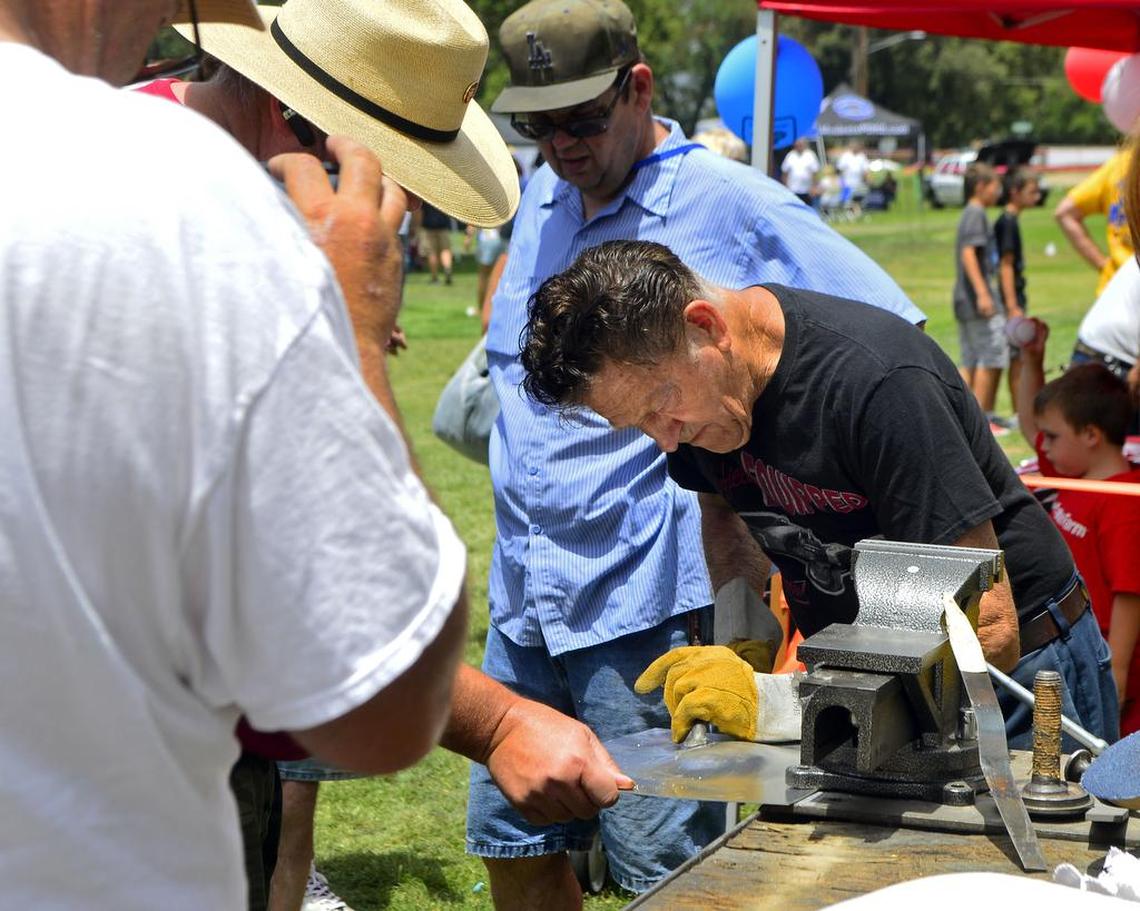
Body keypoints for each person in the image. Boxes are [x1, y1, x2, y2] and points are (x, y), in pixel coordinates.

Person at [0, 0, 629, 906]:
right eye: (395, 176)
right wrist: (356, 337)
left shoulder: (101, 159)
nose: (400, 212)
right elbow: (380, 694)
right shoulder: (198, 208)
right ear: (306, 133)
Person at [478, 0, 926, 904]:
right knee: (513, 843)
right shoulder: (542, 198)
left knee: (666, 874)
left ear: (638, 87)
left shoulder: (726, 197)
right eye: (538, 123)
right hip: (524, 592)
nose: (560, 142)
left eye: (583, 118)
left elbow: (887, 332)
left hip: (639, 600)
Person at [519, 239, 1118, 756]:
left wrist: (782, 707)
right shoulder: (698, 398)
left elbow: (987, 630)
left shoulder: (879, 387)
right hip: (867, 678)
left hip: (1020, 678)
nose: (665, 440)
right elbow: (723, 508)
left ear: (706, 327)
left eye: (660, 410)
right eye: (639, 427)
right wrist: (741, 640)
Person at [1015, 325, 1140, 736]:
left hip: (1109, 665)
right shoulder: (1075, 472)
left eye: (1053, 437)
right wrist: (1033, 361)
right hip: (1079, 651)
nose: (1041, 446)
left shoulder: (1124, 502)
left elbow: (1130, 594)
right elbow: (1033, 420)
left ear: (1091, 435)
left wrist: (1116, 671)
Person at [953, 162, 1008, 430]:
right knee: (990, 354)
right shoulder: (976, 213)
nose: (999, 191)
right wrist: (984, 294)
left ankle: (965, 420)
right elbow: (968, 254)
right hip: (977, 299)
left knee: (971, 358)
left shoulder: (969, 213)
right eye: (995, 186)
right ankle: (983, 419)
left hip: (964, 299)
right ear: (980, 187)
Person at [1055, 147, 1133, 297]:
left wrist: (1104, 266)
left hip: (1117, 287)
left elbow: (1065, 212)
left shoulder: (1118, 165)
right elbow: (1064, 213)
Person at [995, 167, 1042, 409]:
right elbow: (1006, 265)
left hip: (1014, 297)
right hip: (1011, 299)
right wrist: (1013, 306)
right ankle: (1018, 410)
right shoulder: (1008, 222)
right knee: (1017, 357)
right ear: (1015, 192)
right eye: (1031, 191)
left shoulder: (1010, 220)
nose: (1036, 196)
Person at [417, 202, 456, 285]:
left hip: (428, 226)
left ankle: (434, 277)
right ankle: (447, 268)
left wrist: (417, 226)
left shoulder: (425, 196)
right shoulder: (443, 195)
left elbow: (420, 212)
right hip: (443, 226)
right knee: (445, 249)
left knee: (431, 252)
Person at [781, 136, 821, 207]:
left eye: (801, 144)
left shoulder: (811, 155)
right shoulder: (790, 155)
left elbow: (815, 173)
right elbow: (785, 172)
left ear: (805, 145)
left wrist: (814, 187)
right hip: (793, 190)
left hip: (807, 191)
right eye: (797, 144)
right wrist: (785, 187)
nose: (799, 146)